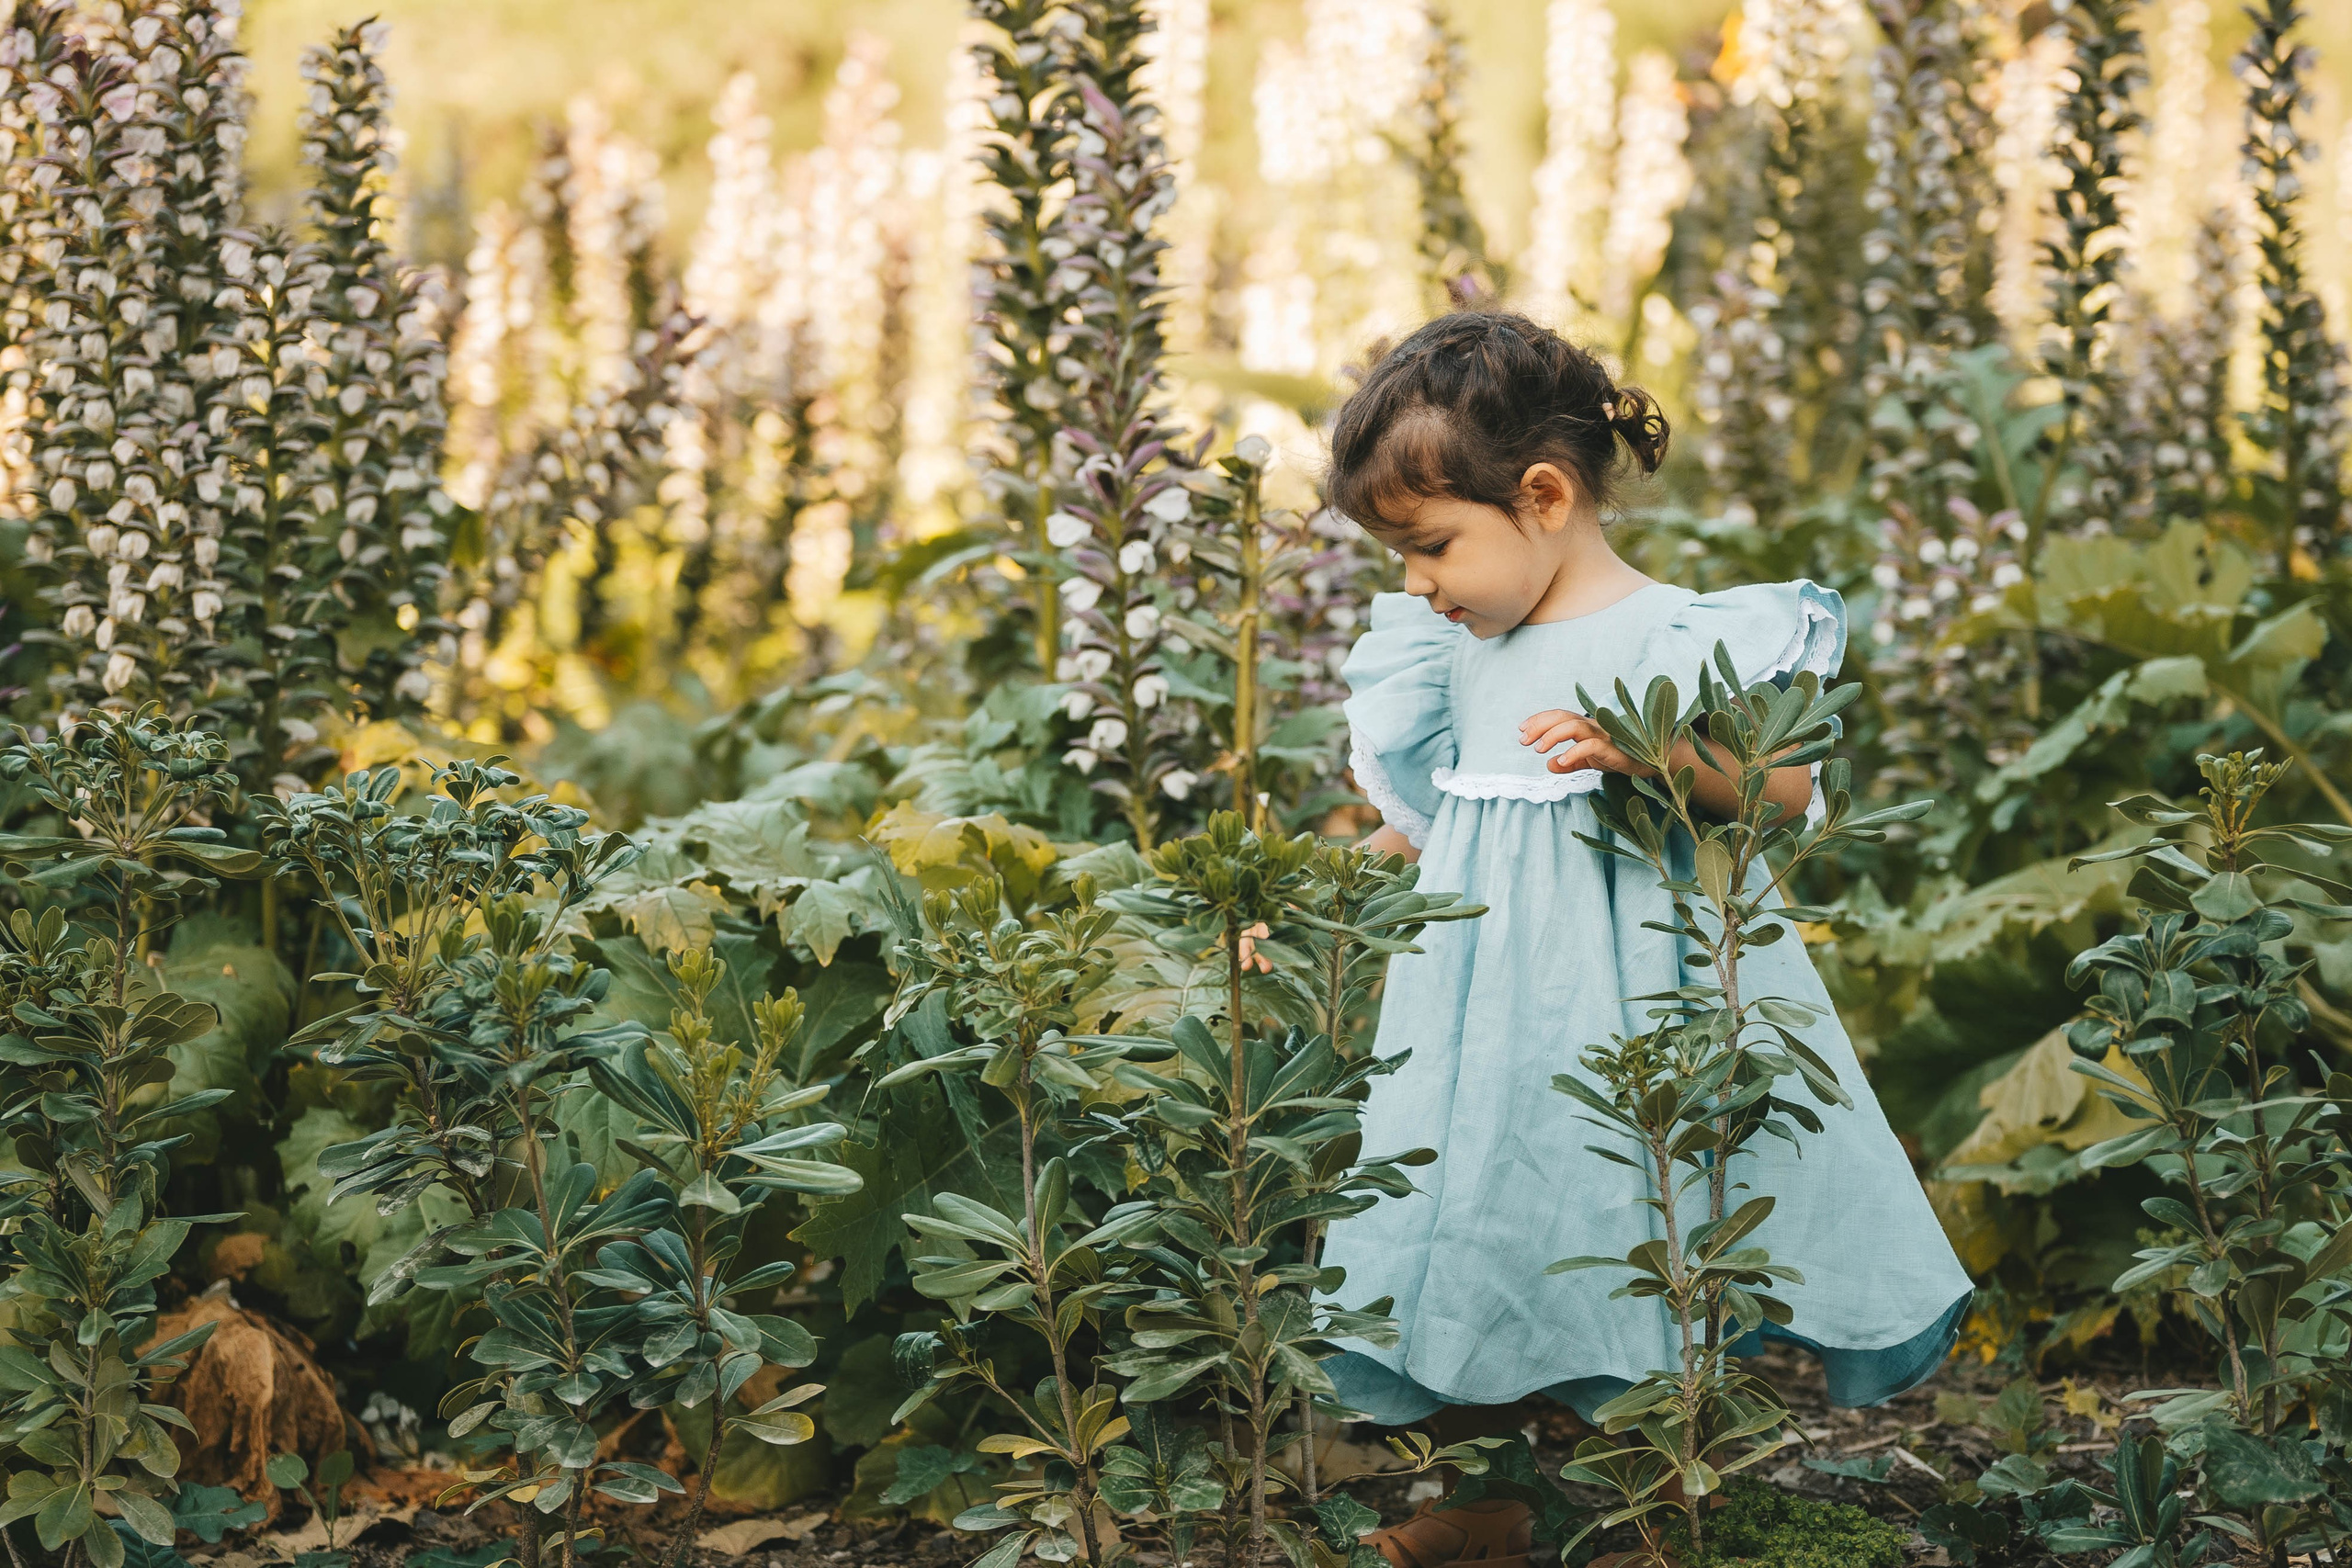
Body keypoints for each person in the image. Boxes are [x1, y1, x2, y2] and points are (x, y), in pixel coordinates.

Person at [1317, 310, 1973, 1568]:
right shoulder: (1461, 654)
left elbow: (1786, 794)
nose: (1415, 583)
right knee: (1475, 1222)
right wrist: (1328, 891)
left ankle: (1661, 1508)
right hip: (1479, 1021)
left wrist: (1648, 748)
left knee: (1646, 1225)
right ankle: (1492, 1503)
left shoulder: (1675, 635)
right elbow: (1446, 816)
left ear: (1546, 496)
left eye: (1432, 545)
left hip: (1642, 1016)